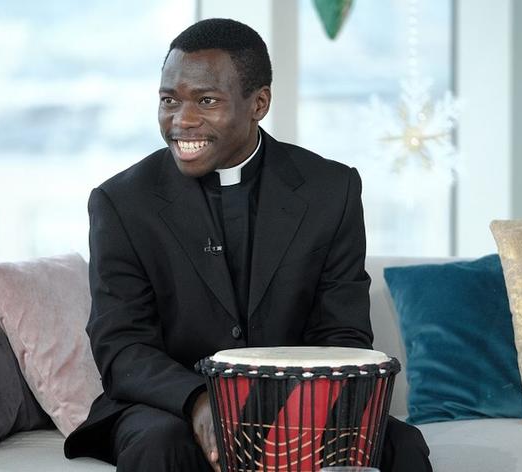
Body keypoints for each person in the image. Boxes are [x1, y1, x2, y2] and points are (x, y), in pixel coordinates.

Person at [64, 18, 432, 472]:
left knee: (402, 446)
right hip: (168, 403)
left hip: (300, 396)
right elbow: (121, 345)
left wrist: (298, 408)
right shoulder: (122, 202)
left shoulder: (331, 190)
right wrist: (199, 400)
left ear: (259, 103)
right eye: (169, 100)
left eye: (206, 101)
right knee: (161, 445)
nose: (182, 120)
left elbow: (345, 334)